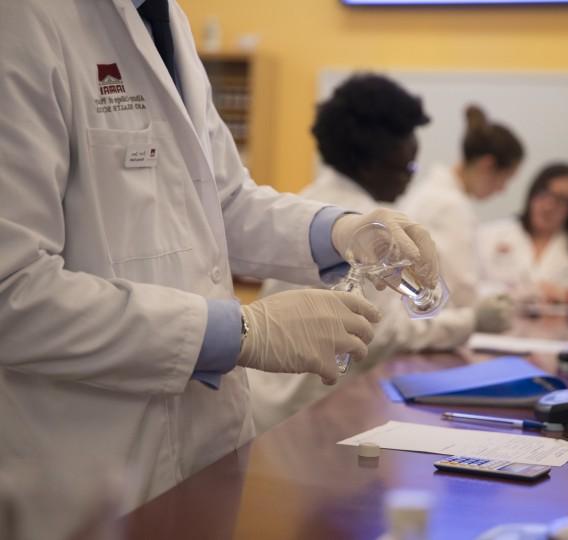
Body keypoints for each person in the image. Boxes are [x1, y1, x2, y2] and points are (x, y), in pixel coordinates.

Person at [0, 0, 440, 511]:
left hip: (205, 448)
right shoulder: (25, 19)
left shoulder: (168, 21)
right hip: (89, 466)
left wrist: (341, 231)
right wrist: (241, 333)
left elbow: (221, 199)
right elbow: (14, 291)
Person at [249, 75, 512, 433]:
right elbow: (384, 333)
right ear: (372, 166)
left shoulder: (314, 197)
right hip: (303, 412)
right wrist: (471, 322)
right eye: (407, 168)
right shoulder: (361, 225)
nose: (409, 180)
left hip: (273, 399)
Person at [401, 105, 525, 308]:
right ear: (487, 165)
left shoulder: (429, 192)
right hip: (432, 320)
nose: (502, 190)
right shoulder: (451, 206)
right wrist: (514, 296)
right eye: (505, 179)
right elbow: (461, 292)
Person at [476, 163, 568, 304]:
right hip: (499, 324)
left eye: (561, 199)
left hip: (566, 325)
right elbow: (466, 290)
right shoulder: (489, 235)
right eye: (543, 193)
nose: (548, 206)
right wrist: (511, 293)